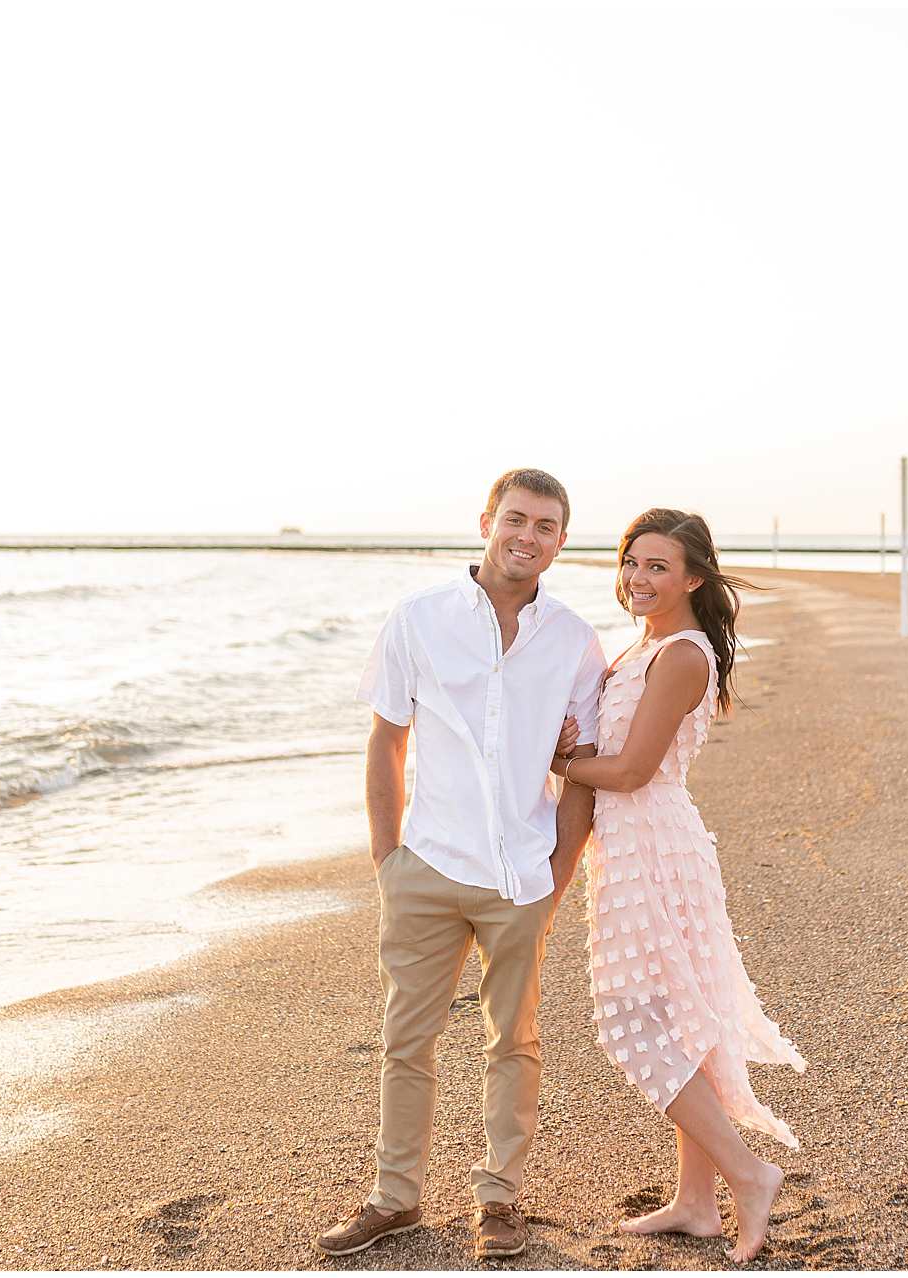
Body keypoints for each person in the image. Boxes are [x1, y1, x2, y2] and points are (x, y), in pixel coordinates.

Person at [315, 468, 607, 1262]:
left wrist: (560, 867)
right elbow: (387, 740)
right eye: (516, 518)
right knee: (405, 1039)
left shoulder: (576, 641)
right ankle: (394, 1197)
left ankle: (499, 1199)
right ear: (487, 520)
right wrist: (387, 859)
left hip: (522, 871)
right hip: (427, 865)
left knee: (513, 1041)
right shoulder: (418, 620)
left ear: (560, 541)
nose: (528, 536)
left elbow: (581, 764)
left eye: (546, 526)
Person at [550, 507, 806, 1263]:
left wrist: (555, 761)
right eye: (631, 562)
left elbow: (630, 772)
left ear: (694, 576)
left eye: (657, 566)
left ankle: (748, 1175)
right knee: (678, 1023)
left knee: (637, 1025)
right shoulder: (645, 647)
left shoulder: (684, 655)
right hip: (633, 848)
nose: (638, 578)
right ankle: (696, 1203)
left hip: (654, 847)